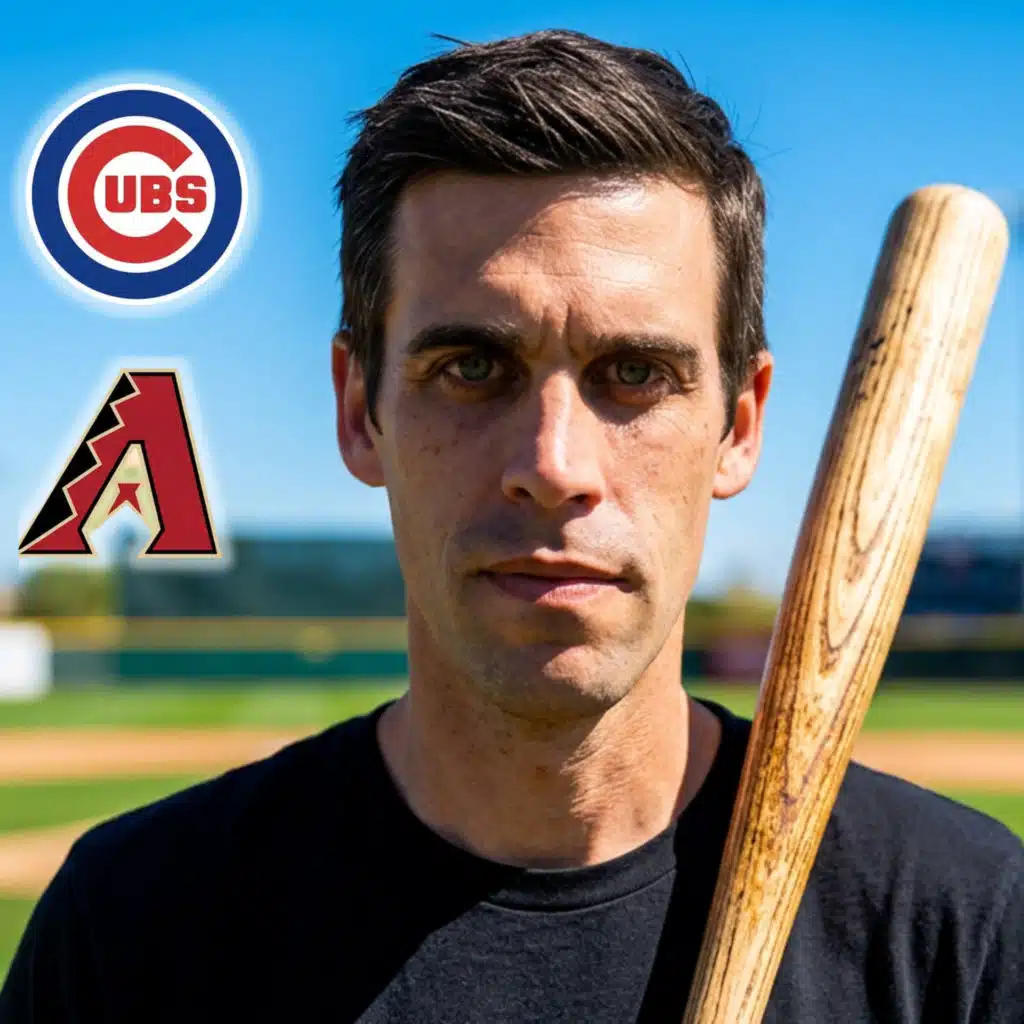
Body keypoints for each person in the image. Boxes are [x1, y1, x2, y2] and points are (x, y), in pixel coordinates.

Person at [2, 28, 1021, 1024]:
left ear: (738, 427)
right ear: (358, 410)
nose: (554, 466)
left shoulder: (966, 930)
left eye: (635, 373)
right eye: (472, 367)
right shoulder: (131, 930)